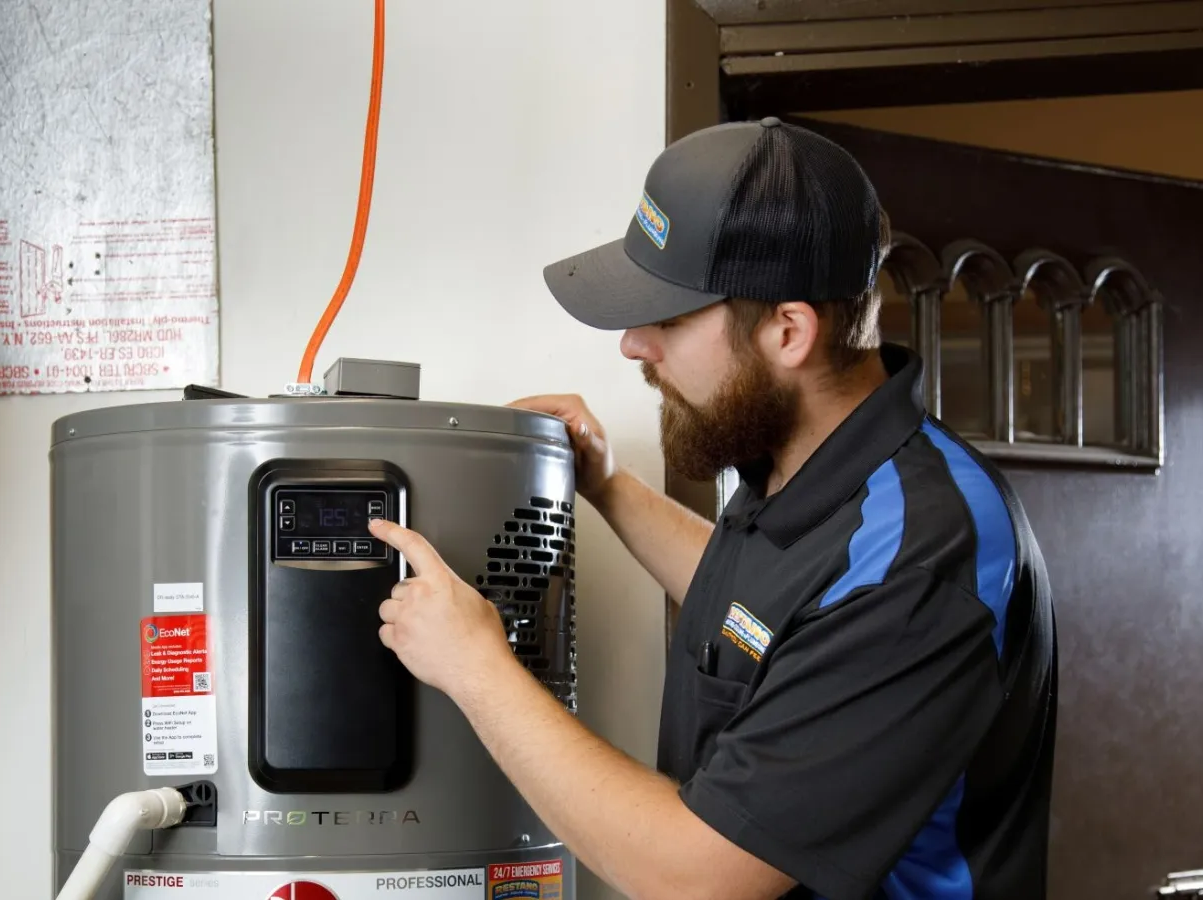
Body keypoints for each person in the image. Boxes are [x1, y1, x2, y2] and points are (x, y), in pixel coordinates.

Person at [366, 117, 1056, 900]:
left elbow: (697, 875)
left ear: (788, 331)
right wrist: (610, 487)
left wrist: (476, 669)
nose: (633, 345)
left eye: (667, 317)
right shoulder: (803, 463)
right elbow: (772, 618)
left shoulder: (925, 555)